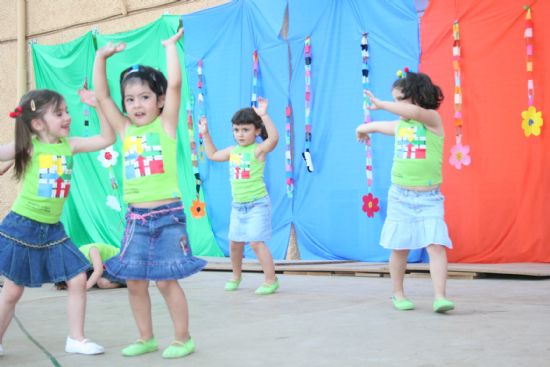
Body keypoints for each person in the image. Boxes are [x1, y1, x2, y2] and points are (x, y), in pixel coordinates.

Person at [93, 27, 207, 360]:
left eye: (144, 97)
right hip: (135, 218)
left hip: (167, 216)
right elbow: (102, 98)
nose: (136, 104)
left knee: (166, 280)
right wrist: (100, 58)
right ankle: (146, 337)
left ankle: (182, 338)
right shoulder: (126, 130)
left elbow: (174, 84)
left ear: (158, 102)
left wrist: (171, 47)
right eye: (130, 99)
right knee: (135, 281)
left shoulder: (166, 125)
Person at [0, 88, 115, 356]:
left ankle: (76, 338)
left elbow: (108, 138)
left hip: (52, 228)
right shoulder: (28, 146)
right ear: (38, 123)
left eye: (67, 111)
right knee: (13, 291)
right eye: (59, 113)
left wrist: (98, 106)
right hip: (23, 225)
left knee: (76, 279)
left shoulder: (70, 145)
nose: (67, 117)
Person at [355, 70, 454, 313]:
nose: (398, 106)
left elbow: (413, 112)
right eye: (395, 100)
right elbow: (380, 125)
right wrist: (362, 128)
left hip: (429, 198)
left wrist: (381, 104)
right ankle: (397, 293)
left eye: (400, 99)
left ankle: (440, 296)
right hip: (401, 195)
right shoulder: (402, 126)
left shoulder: (431, 120)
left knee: (436, 245)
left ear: (418, 97)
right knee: (399, 247)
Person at [199, 97, 280, 295]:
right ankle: (236, 275)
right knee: (235, 243)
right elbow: (212, 155)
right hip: (238, 206)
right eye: (236, 130)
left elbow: (274, 139)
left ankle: (271, 280)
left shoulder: (258, 150)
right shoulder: (233, 151)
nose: (240, 134)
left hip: (257, 204)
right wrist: (205, 134)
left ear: (257, 131)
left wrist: (264, 115)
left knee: (255, 241)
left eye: (246, 130)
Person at [55, 242, 126, 290]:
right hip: (108, 269)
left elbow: (98, 270)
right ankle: (124, 283)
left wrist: (86, 286)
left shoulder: (91, 250)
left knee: (98, 278)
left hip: (122, 260)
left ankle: (129, 281)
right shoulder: (82, 266)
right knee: (102, 283)